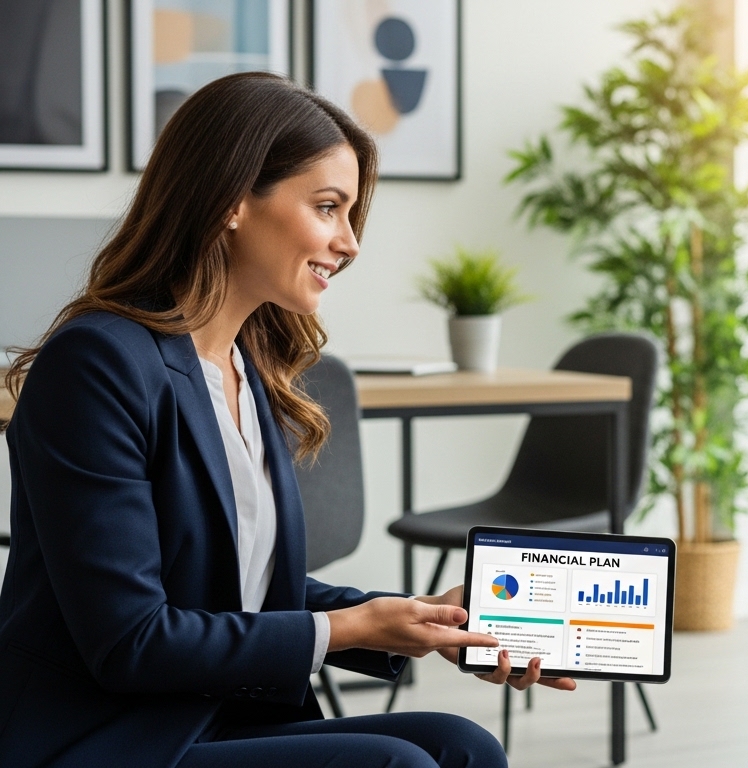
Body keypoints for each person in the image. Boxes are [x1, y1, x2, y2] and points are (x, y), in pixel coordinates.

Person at [0, 73, 571, 768]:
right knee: (402, 766)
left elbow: (242, 587)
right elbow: (132, 639)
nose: (350, 242)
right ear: (232, 201)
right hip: (107, 736)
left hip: (213, 713)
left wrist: (422, 623)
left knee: (464, 746)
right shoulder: (98, 362)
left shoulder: (245, 364)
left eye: (350, 213)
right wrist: (348, 626)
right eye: (328, 207)